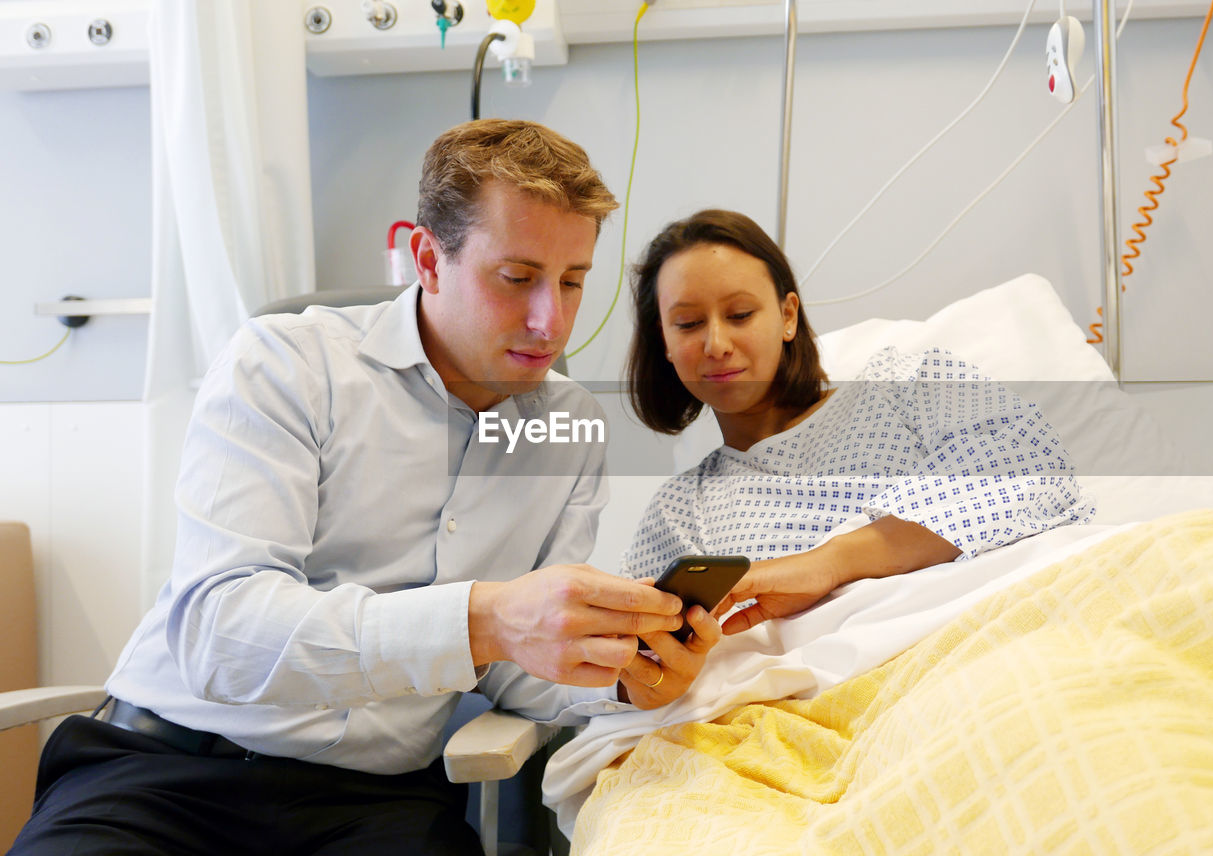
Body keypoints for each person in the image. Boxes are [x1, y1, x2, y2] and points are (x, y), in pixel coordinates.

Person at [10, 120, 720, 856]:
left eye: (573, 282)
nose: (551, 322)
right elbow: (223, 636)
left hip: (374, 804)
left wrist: (621, 679)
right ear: (427, 260)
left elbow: (521, 675)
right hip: (166, 770)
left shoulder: (568, 426)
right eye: (517, 279)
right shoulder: (287, 366)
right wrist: (485, 619)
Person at [619, 209, 1094, 633]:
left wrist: (828, 564)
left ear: (787, 317)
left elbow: (1031, 474)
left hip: (998, 633)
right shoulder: (681, 511)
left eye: (740, 314)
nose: (716, 343)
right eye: (687, 324)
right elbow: (618, 657)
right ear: (664, 341)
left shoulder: (905, 387)